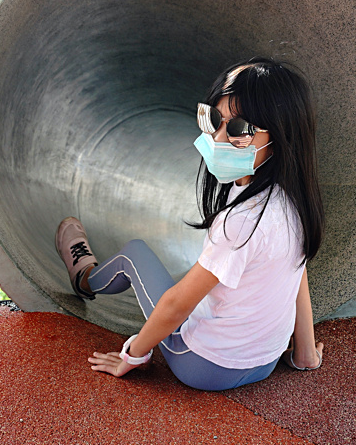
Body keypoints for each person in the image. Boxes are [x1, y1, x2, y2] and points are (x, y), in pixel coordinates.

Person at [55, 57, 326, 391]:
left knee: (133, 255)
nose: (220, 138)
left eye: (241, 130)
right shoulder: (294, 202)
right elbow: (296, 273)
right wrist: (305, 354)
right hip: (263, 362)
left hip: (205, 367)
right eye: (214, 119)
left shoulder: (239, 222)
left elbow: (175, 306)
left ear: (281, 138)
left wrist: (132, 357)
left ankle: (84, 278)